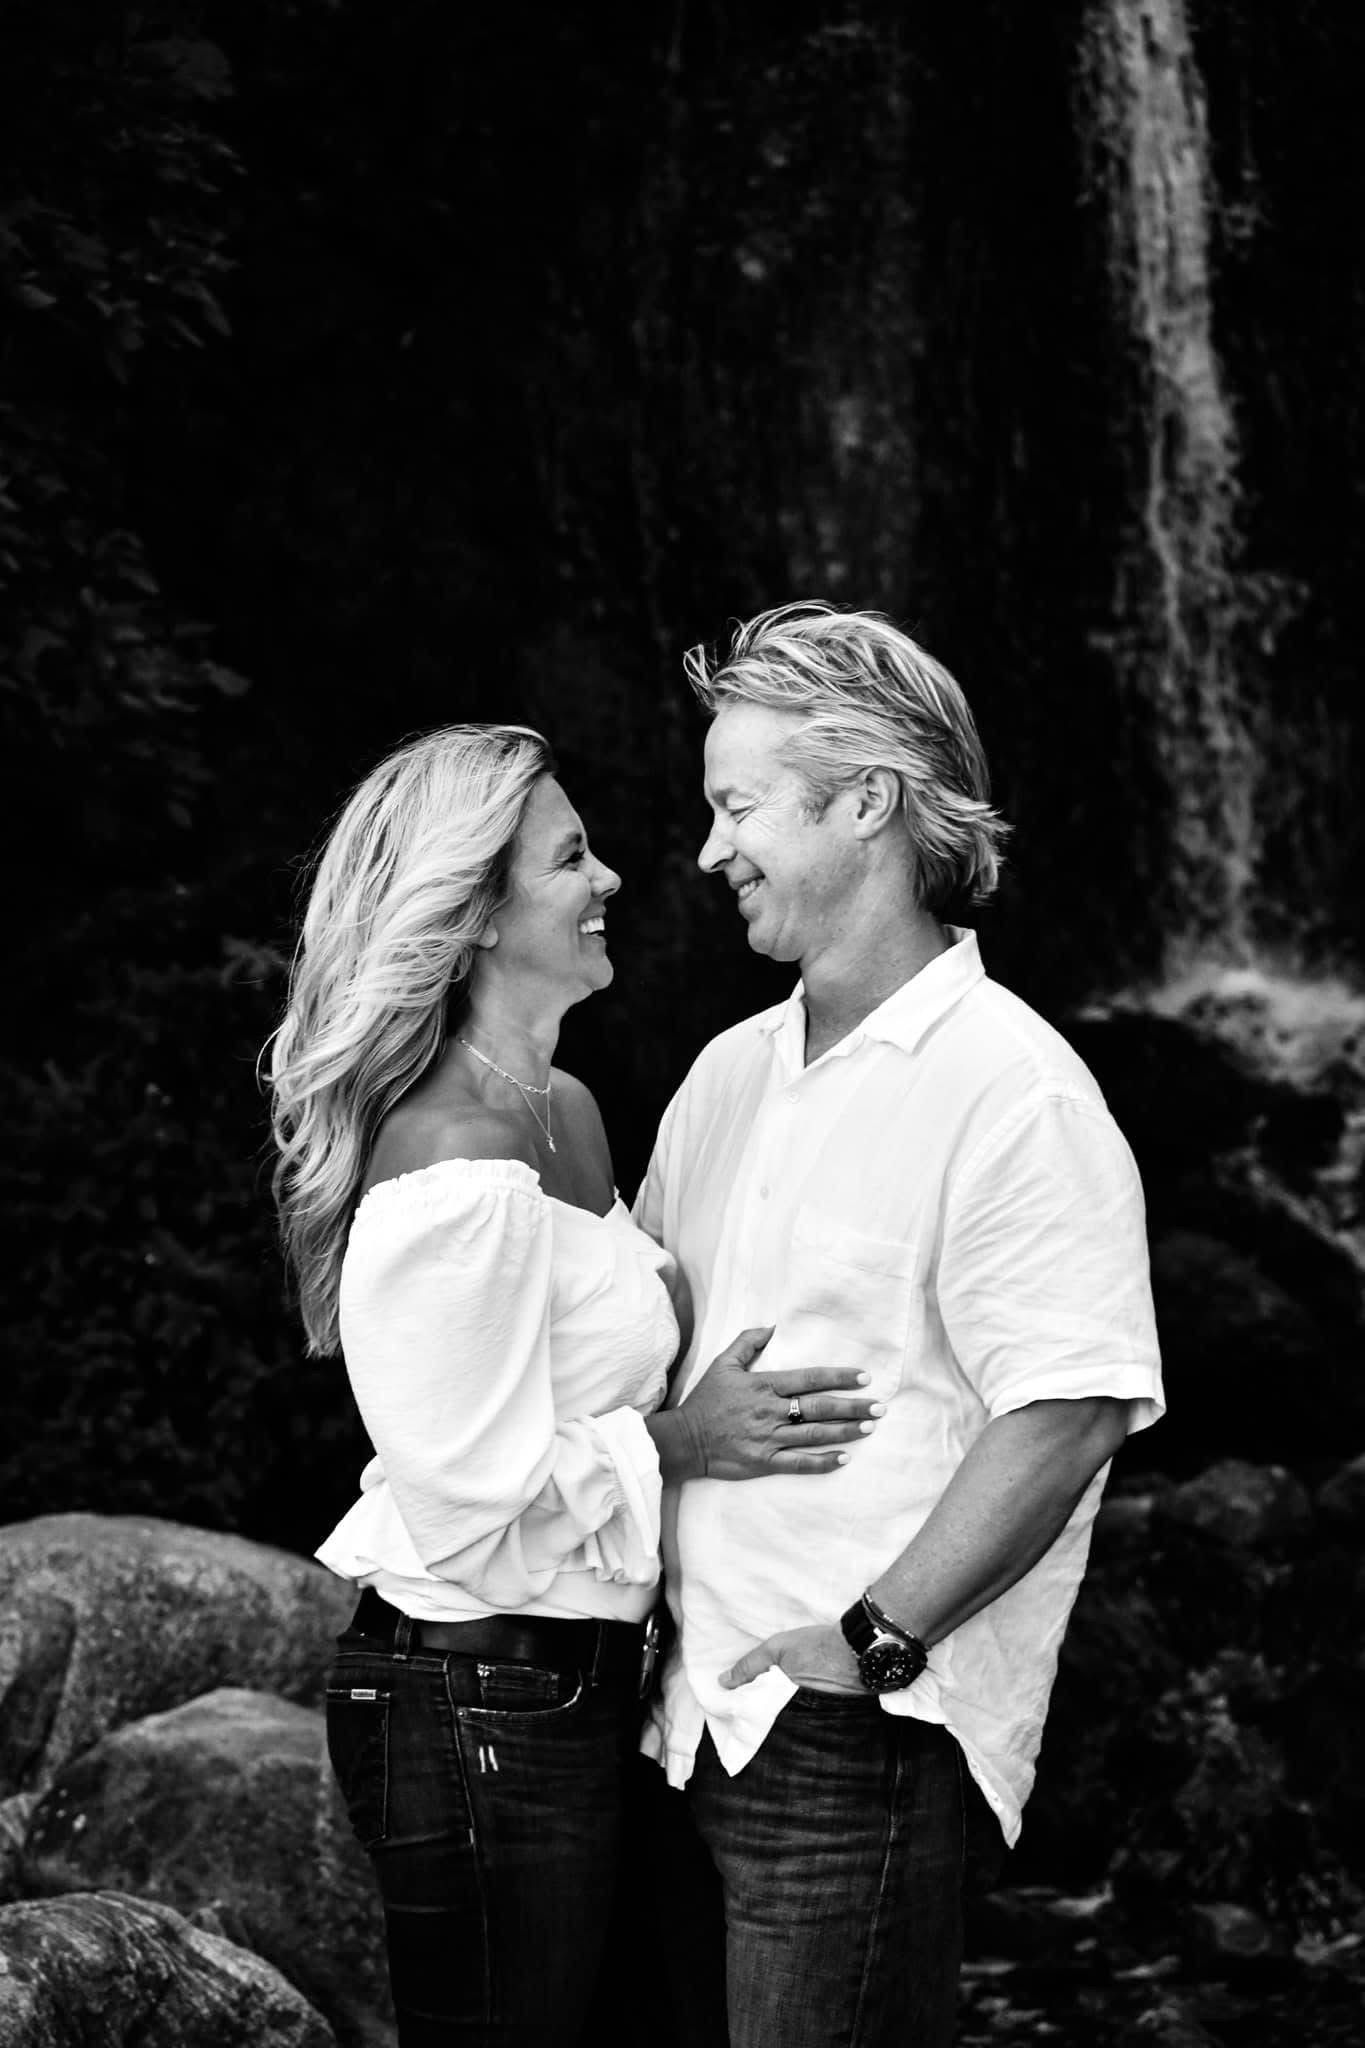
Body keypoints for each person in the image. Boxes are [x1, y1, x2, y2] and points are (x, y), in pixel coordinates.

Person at [265, 723, 881, 2048]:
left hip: (582, 1684)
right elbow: (461, 1492)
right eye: (567, 857)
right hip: (466, 1694)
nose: (609, 877)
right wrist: (685, 1443)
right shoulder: (450, 1155)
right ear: (476, 912)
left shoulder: (569, 1109)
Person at [634, 605, 1165, 2048]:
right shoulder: (725, 1074)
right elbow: (636, 1334)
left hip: (849, 1731)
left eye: (738, 806)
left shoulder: (1012, 1090)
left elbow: (1069, 1406)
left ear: (863, 800)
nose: (708, 850)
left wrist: (871, 1642)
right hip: (677, 1718)